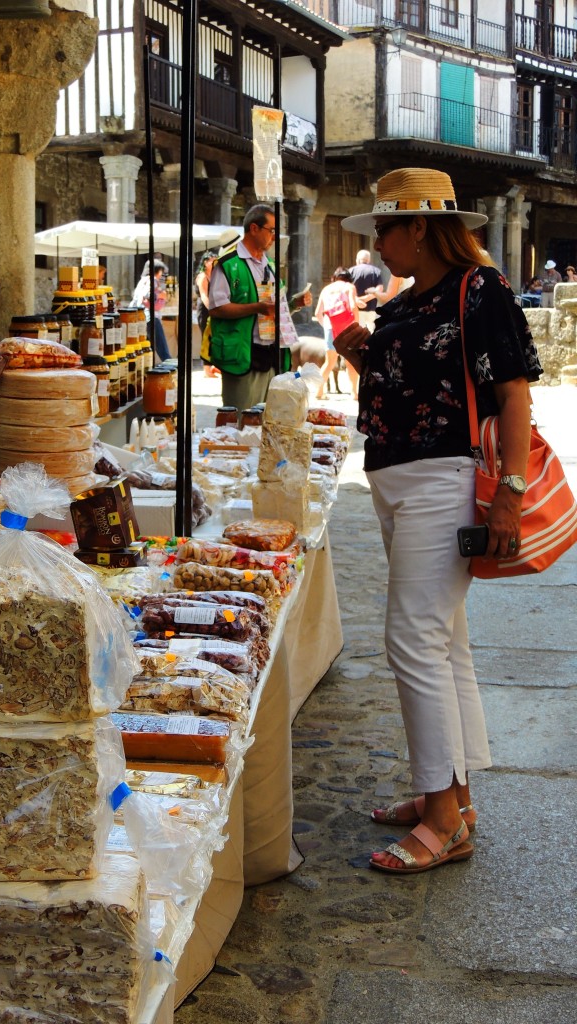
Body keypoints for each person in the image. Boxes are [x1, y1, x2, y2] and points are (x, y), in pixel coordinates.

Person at [335, 167, 542, 874]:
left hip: (441, 478)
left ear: (420, 227)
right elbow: (404, 389)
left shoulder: (478, 289)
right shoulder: (406, 301)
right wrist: (364, 356)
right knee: (443, 642)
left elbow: (513, 392)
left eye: (385, 228)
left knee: (413, 640)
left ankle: (445, 818)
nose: (378, 243)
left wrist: (511, 491)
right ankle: (450, 798)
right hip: (398, 477)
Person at [208, 204, 312, 409]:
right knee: (241, 417)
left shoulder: (270, 265)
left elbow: (274, 309)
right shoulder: (228, 264)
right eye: (271, 230)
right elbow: (217, 308)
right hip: (242, 355)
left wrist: (294, 304)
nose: (274, 237)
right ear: (254, 228)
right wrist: (256, 307)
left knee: (268, 419)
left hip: (272, 355)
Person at [313, 267, 360, 400]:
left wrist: (326, 326)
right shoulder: (349, 287)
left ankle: (319, 392)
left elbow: (317, 313)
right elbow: (353, 306)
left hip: (331, 328)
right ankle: (354, 393)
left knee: (329, 362)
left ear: (334, 277)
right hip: (348, 329)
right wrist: (356, 326)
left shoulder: (326, 289)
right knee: (351, 362)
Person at [132, 260, 171, 362]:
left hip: (141, 317)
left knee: (147, 348)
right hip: (151, 316)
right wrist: (161, 295)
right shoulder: (152, 280)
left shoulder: (142, 281)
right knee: (162, 348)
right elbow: (148, 295)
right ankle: (170, 366)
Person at [195, 250, 219, 378]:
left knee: (213, 336)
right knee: (206, 337)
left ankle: (213, 366)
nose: (215, 262)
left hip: (212, 307)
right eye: (212, 260)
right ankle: (206, 369)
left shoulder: (214, 275)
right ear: (206, 262)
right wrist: (212, 309)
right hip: (205, 309)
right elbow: (204, 295)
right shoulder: (203, 276)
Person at [348, 249, 382, 331]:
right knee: (371, 332)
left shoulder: (351, 271)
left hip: (356, 309)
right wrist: (367, 298)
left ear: (357, 260)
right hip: (372, 309)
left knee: (358, 333)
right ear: (368, 260)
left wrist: (357, 300)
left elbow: (346, 289)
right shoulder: (376, 271)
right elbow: (379, 289)